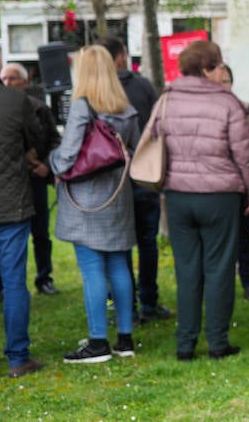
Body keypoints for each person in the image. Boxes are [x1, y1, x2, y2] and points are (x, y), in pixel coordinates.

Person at [154, 40, 249, 360]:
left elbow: (153, 142)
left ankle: (185, 343)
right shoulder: (228, 103)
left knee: (187, 269)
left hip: (178, 195)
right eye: (217, 65)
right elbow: (245, 155)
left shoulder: (166, 100)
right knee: (219, 268)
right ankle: (217, 341)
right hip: (220, 196)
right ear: (206, 69)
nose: (220, 71)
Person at [48, 45, 141, 363]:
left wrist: (53, 162)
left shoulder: (82, 105)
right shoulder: (126, 109)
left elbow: (69, 153)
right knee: (119, 266)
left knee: (92, 270)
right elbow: (136, 150)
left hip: (86, 199)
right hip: (117, 196)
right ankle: (125, 340)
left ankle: (99, 343)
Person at [97, 37, 171, 324]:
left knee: (120, 246)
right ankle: (150, 301)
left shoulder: (96, 92)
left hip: (112, 182)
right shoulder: (142, 86)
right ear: (119, 57)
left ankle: (126, 305)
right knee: (147, 242)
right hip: (143, 176)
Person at [0, 36, 43, 378]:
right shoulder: (16, 100)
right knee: (13, 283)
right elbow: (35, 138)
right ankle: (17, 358)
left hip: (8, 202)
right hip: (10, 204)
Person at [0, 62, 61, 296]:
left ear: (25, 82)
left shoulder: (38, 108)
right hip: (7, 182)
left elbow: (54, 140)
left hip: (34, 179)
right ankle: (0, 285)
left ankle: (44, 277)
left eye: (13, 78)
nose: (7, 83)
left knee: (41, 231)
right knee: (2, 236)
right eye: (3, 78)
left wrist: (46, 164)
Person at [221, 64, 249, 301]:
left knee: (245, 236)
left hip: (239, 182)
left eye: (226, 81)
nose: (222, 85)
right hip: (217, 185)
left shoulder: (243, 109)